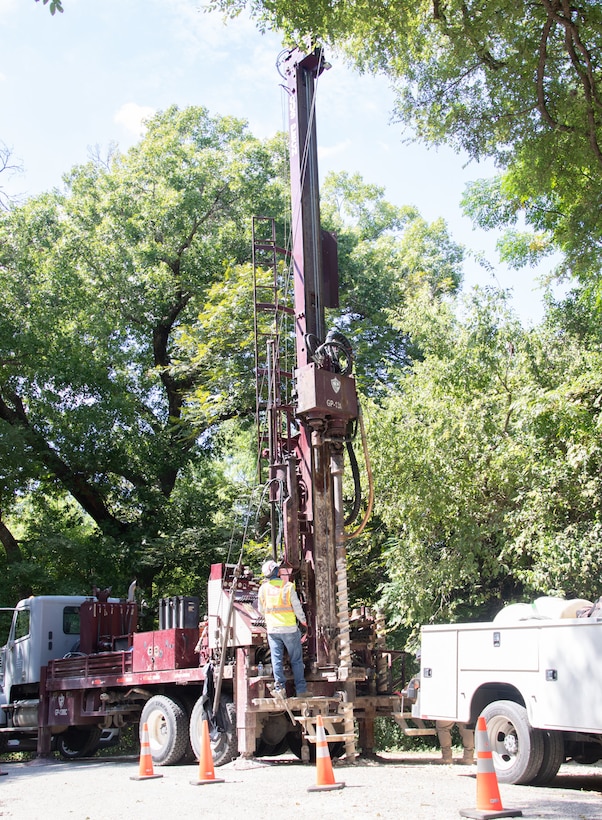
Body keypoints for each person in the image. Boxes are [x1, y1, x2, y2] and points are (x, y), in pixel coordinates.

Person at [257, 559, 308, 696]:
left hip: (273, 630)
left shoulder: (263, 589)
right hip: (290, 629)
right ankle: (301, 690)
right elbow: (297, 607)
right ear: (277, 571)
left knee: (276, 659)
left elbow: (261, 610)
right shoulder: (288, 587)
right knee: (296, 660)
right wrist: (303, 621)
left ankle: (280, 690)